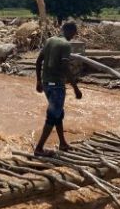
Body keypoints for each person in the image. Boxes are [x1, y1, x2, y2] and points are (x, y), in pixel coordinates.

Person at [34, 22, 83, 157]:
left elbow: (38, 61)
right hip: (57, 86)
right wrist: (75, 88)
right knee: (52, 116)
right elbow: (65, 67)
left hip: (46, 84)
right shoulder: (66, 45)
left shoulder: (50, 41)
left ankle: (62, 143)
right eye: (74, 33)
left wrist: (38, 80)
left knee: (58, 114)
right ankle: (39, 148)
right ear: (72, 32)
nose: (74, 36)